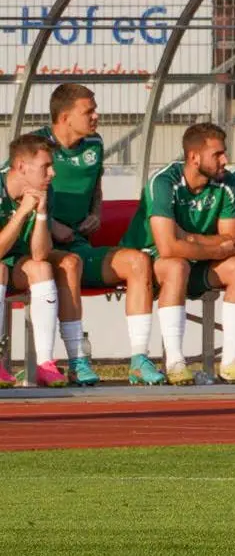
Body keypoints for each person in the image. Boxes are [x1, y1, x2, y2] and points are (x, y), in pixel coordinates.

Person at [4, 84, 165, 386]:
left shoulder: (94, 143)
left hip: (78, 245)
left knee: (139, 263)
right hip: (39, 247)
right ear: (64, 117)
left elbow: (96, 183)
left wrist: (96, 212)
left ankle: (140, 360)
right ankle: (77, 360)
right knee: (67, 264)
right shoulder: (36, 148)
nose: (96, 116)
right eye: (88, 111)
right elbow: (14, 188)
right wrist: (50, 225)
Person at [119, 124, 235, 386]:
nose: (225, 161)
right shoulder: (163, 181)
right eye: (218, 154)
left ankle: (232, 361)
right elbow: (166, 247)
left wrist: (189, 238)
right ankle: (175, 362)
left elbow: (231, 241)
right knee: (176, 265)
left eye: (224, 153)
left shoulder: (227, 183)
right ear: (194, 157)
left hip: (196, 263)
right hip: (151, 265)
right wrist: (211, 246)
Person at [0, 135, 69, 387]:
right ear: (20, 167)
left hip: (14, 265)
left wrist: (40, 214)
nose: (52, 173)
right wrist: (21, 212)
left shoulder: (43, 192)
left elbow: (40, 253)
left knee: (42, 267)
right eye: (45, 167)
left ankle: (45, 364)